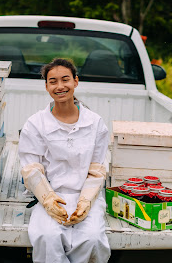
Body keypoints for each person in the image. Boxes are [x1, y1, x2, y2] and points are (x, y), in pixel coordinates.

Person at [18, 58, 111, 263]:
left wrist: (85, 200)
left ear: (76, 82)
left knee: (92, 239)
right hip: (51, 195)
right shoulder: (36, 123)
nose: (60, 86)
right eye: (53, 81)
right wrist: (48, 199)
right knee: (47, 237)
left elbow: (97, 169)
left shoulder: (95, 123)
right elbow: (31, 168)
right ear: (46, 86)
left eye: (65, 79)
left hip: (87, 196)